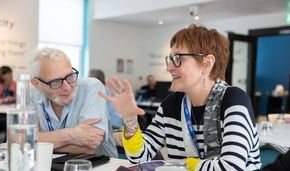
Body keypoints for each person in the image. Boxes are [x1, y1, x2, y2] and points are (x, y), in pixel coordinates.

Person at [99, 23, 261, 170]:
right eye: (170, 59)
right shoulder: (172, 104)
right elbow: (140, 157)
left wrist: (185, 164)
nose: (169, 67)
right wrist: (130, 119)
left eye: (178, 58)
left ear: (207, 63)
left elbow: (231, 167)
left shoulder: (233, 101)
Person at [29, 47, 117, 158]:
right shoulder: (31, 93)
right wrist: (71, 134)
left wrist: (39, 140)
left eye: (70, 76)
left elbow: (88, 148)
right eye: (56, 81)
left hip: (95, 166)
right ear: (37, 84)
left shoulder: (91, 88)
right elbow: (23, 140)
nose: (67, 87)